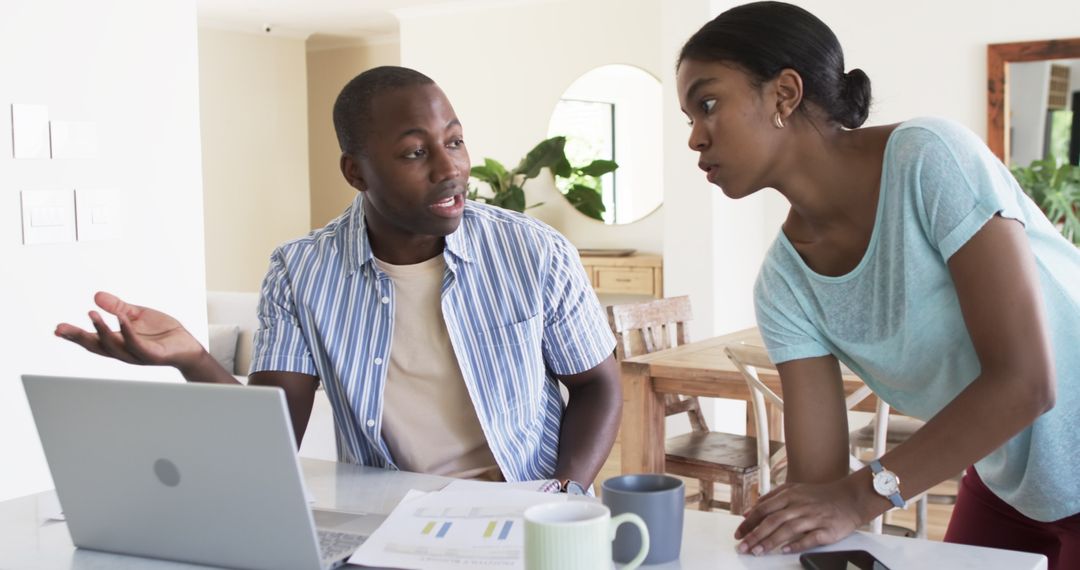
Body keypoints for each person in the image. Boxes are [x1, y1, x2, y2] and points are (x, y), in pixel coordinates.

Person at [56, 66, 621, 493]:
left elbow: (598, 385)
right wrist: (193, 359)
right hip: (394, 516)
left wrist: (561, 500)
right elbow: (272, 440)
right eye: (415, 152)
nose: (450, 167)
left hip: (528, 503)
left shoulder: (532, 250)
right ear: (356, 171)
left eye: (453, 141)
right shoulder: (300, 272)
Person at [675, 2, 1079, 567]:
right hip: (1008, 479)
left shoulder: (929, 159)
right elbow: (822, 486)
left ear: (784, 95)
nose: (694, 138)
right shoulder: (783, 286)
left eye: (708, 104)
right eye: (689, 118)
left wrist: (856, 497)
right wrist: (790, 519)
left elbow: (1027, 382)